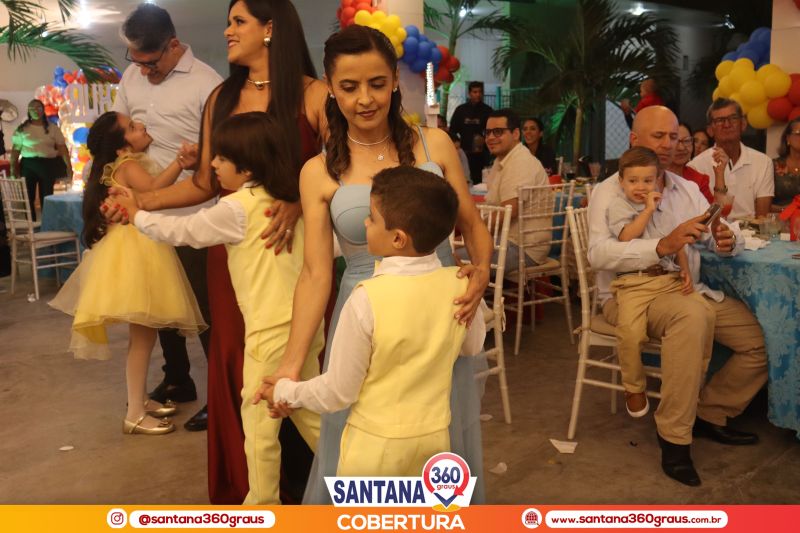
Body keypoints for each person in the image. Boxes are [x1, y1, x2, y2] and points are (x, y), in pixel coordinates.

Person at [106, 0, 329, 505]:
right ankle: (251, 492)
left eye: (238, 21)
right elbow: (205, 183)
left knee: (301, 371)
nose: (227, 31)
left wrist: (300, 198)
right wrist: (141, 203)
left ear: (270, 28)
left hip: (300, 257)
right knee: (236, 369)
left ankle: (322, 488)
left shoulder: (314, 94)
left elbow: (340, 167)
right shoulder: (222, 97)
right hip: (235, 260)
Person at [271, 25, 492, 503]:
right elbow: (315, 274)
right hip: (364, 314)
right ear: (330, 88)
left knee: (440, 435)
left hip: (437, 310)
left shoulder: (435, 144)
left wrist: (481, 274)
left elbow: (472, 225)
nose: (365, 99)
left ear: (394, 79)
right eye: (349, 87)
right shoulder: (318, 171)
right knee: (361, 439)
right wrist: (290, 364)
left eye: (376, 83)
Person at [255, 167, 486, 477]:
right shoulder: (461, 286)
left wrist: (285, 391)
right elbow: (471, 346)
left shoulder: (367, 298)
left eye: (372, 218)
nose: (365, 222)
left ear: (398, 238)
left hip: (373, 450)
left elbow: (339, 391)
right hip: (435, 443)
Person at [588, 105, 768, 487]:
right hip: (630, 293)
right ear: (634, 140)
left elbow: (717, 229)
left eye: (674, 136)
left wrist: (726, 239)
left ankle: (710, 412)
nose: (670, 144)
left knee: (759, 340)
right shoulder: (608, 191)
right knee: (692, 317)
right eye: (659, 136)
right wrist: (660, 246)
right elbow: (598, 254)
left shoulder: (684, 187)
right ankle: (674, 437)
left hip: (684, 288)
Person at [49, 111, 206, 435]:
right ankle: (135, 412)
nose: (142, 126)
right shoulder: (128, 164)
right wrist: (180, 162)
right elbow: (153, 189)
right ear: (121, 146)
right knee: (143, 337)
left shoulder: (118, 165)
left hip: (131, 249)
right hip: (138, 252)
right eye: (133, 127)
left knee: (142, 337)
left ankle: (140, 399)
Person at [114, 3, 223, 431]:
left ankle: (221, 396)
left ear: (173, 44)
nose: (143, 71)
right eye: (136, 61)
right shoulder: (131, 76)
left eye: (151, 62)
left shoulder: (207, 84)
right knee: (159, 304)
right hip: (145, 214)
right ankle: (177, 378)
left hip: (194, 214)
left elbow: (219, 153)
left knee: (206, 309)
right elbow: (119, 132)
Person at [607, 147, 705, 418]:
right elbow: (627, 237)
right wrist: (648, 210)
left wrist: (685, 271)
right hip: (634, 284)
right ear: (621, 182)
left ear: (657, 180)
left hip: (666, 279)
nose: (641, 187)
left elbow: (676, 242)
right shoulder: (618, 206)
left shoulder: (663, 207)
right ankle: (633, 386)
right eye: (633, 181)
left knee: (703, 313)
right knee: (630, 332)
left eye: (648, 181)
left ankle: (696, 385)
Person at [484, 108, 550, 267]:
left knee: (447, 260)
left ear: (515, 134)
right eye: (487, 132)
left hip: (522, 248)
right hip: (505, 241)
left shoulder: (520, 161)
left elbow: (508, 211)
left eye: (498, 132)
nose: (490, 137)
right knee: (448, 252)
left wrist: (472, 234)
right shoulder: (502, 160)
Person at [688, 98, 773, 219]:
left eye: (733, 118)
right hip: (713, 228)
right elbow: (699, 216)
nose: (727, 124)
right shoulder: (696, 166)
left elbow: (762, 216)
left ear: (743, 124)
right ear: (710, 130)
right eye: (720, 120)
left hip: (752, 229)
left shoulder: (763, 162)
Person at [9, 99, 70, 220]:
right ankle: (30, 222)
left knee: (47, 196)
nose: (35, 110)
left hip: (47, 165)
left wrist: (69, 166)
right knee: (28, 195)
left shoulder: (53, 128)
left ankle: (48, 222)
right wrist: (12, 168)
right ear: (28, 111)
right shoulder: (22, 129)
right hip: (28, 165)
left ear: (43, 110)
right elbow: (15, 151)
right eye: (32, 108)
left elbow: (63, 148)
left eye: (38, 108)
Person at [449, 81, 493, 182]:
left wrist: (484, 140)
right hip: (465, 153)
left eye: (480, 92)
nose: (478, 94)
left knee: (482, 181)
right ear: (469, 93)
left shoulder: (487, 111)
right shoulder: (461, 110)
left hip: (482, 154)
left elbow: (492, 130)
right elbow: (453, 131)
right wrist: (457, 146)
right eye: (475, 92)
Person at [669, 122, 714, 204]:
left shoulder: (699, 180)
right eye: (676, 141)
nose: (681, 148)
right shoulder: (654, 176)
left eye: (686, 141)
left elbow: (710, 210)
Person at [772, 118, 800, 210]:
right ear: (788, 138)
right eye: (798, 133)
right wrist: (787, 210)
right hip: (778, 217)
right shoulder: (772, 166)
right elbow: (762, 203)